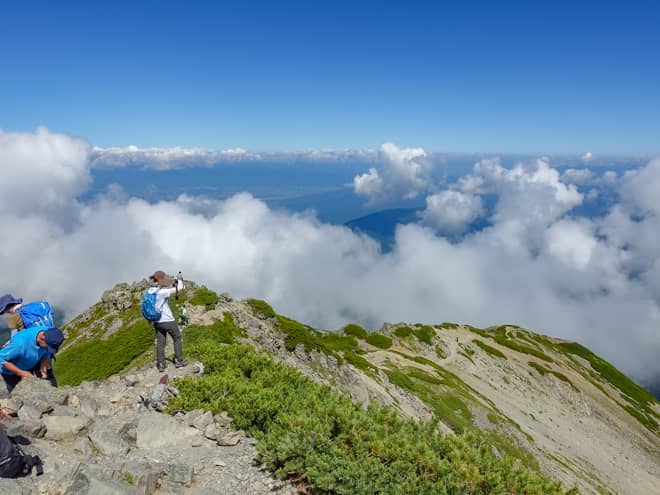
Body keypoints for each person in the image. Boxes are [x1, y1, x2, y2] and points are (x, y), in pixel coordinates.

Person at [0, 326, 64, 393]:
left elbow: (47, 352)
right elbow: (1, 358)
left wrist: (43, 366)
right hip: (11, 372)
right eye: (48, 346)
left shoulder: (48, 333)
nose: (48, 348)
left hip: (32, 364)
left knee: (49, 389)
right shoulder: (20, 345)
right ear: (42, 338)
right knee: (18, 396)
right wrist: (20, 372)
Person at [146, 271, 186, 372]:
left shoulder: (150, 291)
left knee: (160, 343)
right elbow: (180, 288)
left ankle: (161, 365)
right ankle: (178, 361)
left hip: (157, 322)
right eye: (164, 278)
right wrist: (180, 279)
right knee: (177, 338)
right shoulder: (162, 292)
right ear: (160, 280)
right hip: (168, 321)